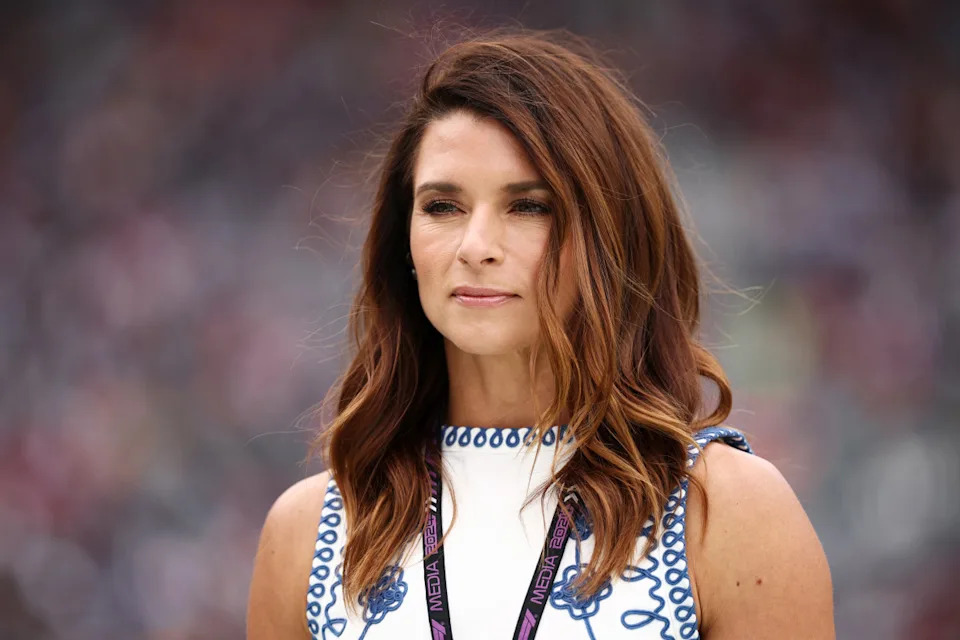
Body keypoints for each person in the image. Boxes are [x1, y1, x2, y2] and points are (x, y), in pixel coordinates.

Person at [247, 28, 835, 639]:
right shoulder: (307, 532)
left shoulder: (727, 514)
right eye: (443, 206)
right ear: (405, 243)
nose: (476, 247)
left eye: (529, 206)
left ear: (612, 237)